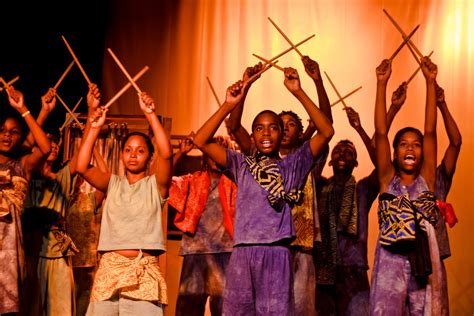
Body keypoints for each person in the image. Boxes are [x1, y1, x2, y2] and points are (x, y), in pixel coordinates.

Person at [192, 66, 334, 315]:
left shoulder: (295, 164)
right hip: (243, 253)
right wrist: (228, 104)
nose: (266, 132)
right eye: (259, 128)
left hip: (277, 254)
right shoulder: (242, 164)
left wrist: (298, 91)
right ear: (253, 135)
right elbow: (201, 140)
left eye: (273, 127)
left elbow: (327, 131)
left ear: (282, 135)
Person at [77, 87, 172, 315]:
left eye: (140, 151)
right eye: (128, 150)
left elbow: (166, 153)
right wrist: (94, 128)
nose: (133, 154)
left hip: (143, 271)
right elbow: (82, 166)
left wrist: (150, 114)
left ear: (149, 157)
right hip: (110, 269)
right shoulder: (113, 183)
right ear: (121, 154)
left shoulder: (155, 185)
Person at [370, 56, 444, 315]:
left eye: (415, 144)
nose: (410, 148)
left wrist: (430, 81)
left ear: (422, 152)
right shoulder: (386, 180)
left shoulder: (427, 180)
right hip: (390, 259)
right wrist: (381, 84)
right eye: (403, 144)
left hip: (423, 257)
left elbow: (431, 131)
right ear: (395, 152)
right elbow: (380, 132)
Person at [169, 135, 236, 316]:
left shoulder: (235, 183)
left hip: (226, 252)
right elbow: (163, 182)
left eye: (220, 153)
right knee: (188, 308)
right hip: (195, 252)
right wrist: (181, 153)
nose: (215, 157)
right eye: (211, 153)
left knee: (225, 309)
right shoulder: (193, 181)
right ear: (205, 157)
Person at [0, 85, 51, 314]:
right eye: (1, 130)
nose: (6, 135)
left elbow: (44, 147)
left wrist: (24, 109)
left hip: (9, 247)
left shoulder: (24, 165)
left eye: (13, 131)